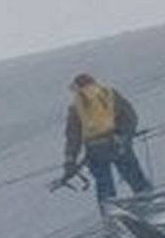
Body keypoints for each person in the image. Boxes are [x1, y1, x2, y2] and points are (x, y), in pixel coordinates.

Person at [63, 73, 153, 209]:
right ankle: (150, 202)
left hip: (95, 150)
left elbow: (73, 137)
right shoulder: (109, 94)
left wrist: (70, 160)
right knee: (134, 176)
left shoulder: (75, 107)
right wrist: (124, 136)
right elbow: (130, 117)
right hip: (118, 145)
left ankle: (111, 214)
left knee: (104, 185)